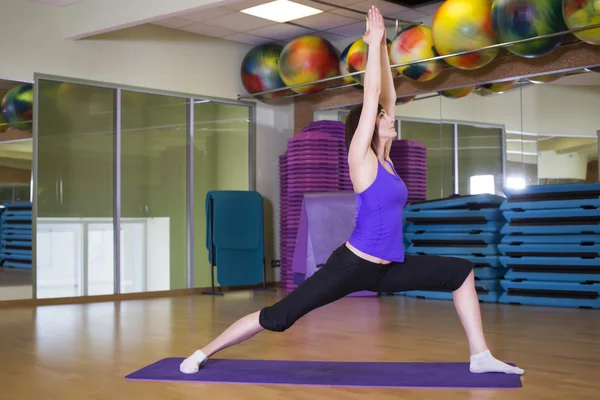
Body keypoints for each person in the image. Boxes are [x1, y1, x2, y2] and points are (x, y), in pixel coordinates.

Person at [180, 6, 524, 376]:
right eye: (381, 118)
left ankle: (480, 356)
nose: (389, 118)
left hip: (386, 268)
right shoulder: (360, 159)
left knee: (460, 272)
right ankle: (202, 352)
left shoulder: (388, 160)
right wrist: (375, 44)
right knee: (279, 318)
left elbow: (387, 96)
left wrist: (383, 54)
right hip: (351, 266)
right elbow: (374, 93)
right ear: (367, 127)